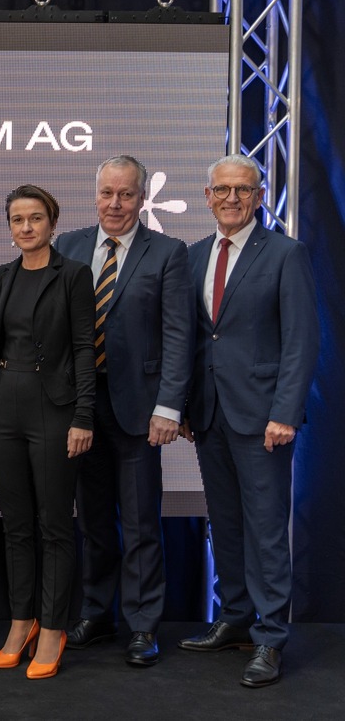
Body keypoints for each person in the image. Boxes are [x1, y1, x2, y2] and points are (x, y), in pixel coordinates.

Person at [178, 155, 318, 688]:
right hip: (210, 414)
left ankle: (270, 638)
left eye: (244, 190)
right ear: (207, 195)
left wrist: (285, 413)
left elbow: (301, 341)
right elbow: (193, 340)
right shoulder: (193, 257)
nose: (232, 198)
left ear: (260, 196)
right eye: (222, 190)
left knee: (264, 530)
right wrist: (189, 405)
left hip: (263, 419)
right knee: (227, 524)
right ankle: (235, 619)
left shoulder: (286, 253)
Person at [56, 155, 193, 667]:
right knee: (91, 520)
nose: (116, 204)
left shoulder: (168, 252)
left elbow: (179, 336)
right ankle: (95, 612)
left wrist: (169, 407)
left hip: (140, 410)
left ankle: (141, 625)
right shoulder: (67, 246)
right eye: (107, 193)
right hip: (80, 409)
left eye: (127, 194)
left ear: (141, 198)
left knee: (139, 523)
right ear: (95, 195)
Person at [0, 184, 95, 680]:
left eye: (35, 218)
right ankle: (22, 623)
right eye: (17, 219)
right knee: (16, 524)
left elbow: (85, 348)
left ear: (52, 222)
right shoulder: (3, 275)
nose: (26, 227)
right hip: (5, 411)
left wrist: (84, 416)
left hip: (56, 410)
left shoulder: (74, 275)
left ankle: (54, 627)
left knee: (55, 524)